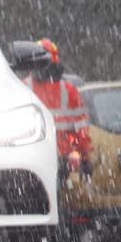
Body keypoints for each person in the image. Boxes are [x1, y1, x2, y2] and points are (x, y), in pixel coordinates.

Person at [25, 38, 92, 179]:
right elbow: (81, 129)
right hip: (59, 160)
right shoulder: (69, 90)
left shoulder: (22, 88)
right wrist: (85, 157)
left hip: (31, 160)